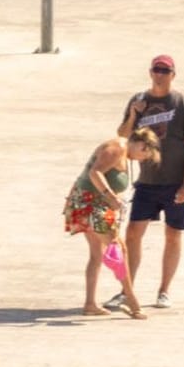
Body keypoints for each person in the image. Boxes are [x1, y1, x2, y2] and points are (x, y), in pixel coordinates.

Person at [114, 55, 184, 310]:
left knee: (173, 234)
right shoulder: (139, 100)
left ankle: (164, 290)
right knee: (133, 234)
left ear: (174, 74)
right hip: (147, 183)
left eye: (165, 70)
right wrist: (133, 115)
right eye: (156, 70)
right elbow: (122, 137)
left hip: (176, 183)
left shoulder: (183, 104)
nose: (160, 74)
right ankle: (125, 290)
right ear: (150, 72)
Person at [68, 130, 161, 319]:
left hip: (89, 202)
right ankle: (131, 299)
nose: (143, 159)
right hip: (90, 203)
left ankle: (90, 304)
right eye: (145, 154)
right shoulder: (118, 147)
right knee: (120, 249)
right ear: (140, 144)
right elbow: (95, 172)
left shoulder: (125, 152)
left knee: (97, 254)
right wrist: (110, 196)